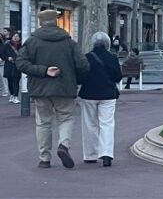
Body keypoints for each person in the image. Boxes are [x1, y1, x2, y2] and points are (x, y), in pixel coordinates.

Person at [16, 9, 89, 169]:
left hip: (40, 89)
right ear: (56, 21)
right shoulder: (69, 42)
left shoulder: (32, 42)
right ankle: (63, 145)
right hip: (65, 89)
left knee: (43, 123)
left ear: (40, 22)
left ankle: (44, 158)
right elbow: (83, 65)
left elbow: (20, 63)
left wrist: (43, 71)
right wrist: (75, 80)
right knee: (66, 118)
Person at [78, 32, 122, 167]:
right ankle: (106, 154)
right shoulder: (112, 57)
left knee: (89, 124)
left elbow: (80, 77)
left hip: (88, 94)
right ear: (107, 43)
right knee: (107, 124)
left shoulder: (86, 57)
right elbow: (118, 77)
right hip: (108, 94)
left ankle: (90, 154)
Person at [2, 32, 22, 103]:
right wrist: (7, 58)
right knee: (10, 81)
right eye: (14, 36)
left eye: (17, 36)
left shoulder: (21, 46)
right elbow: (2, 54)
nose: (15, 37)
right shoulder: (7, 45)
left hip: (17, 66)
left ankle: (16, 96)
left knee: (16, 81)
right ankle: (12, 95)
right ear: (12, 37)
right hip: (9, 66)